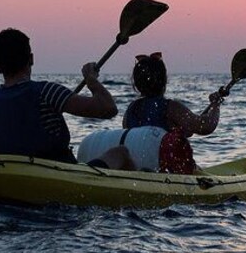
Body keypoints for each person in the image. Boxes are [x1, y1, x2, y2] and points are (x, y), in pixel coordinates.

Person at [0, 28, 131, 169]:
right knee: (121, 153)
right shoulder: (47, 92)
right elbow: (108, 109)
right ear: (31, 59)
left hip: (16, 178)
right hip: (61, 176)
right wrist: (91, 80)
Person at [77, 52, 224, 174]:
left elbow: (135, 141)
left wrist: (182, 132)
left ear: (136, 84)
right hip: (163, 171)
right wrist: (215, 105)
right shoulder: (170, 107)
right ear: (164, 81)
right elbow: (205, 126)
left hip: (137, 168)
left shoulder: (131, 109)